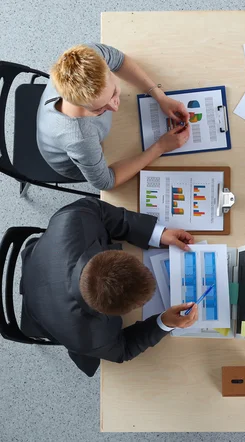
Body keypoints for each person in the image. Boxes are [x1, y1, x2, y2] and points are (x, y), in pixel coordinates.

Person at [20, 197, 199, 377]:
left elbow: (100, 210)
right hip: (39, 312)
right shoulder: (90, 338)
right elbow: (124, 350)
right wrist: (163, 322)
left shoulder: (75, 217)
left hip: (40, 260)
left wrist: (156, 233)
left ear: (112, 254)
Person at [37, 43, 191, 190]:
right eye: (99, 109)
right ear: (77, 104)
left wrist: (159, 95)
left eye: (114, 92)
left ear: (105, 65)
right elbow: (105, 182)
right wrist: (160, 147)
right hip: (76, 163)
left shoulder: (87, 56)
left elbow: (119, 60)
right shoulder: (81, 139)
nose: (115, 107)